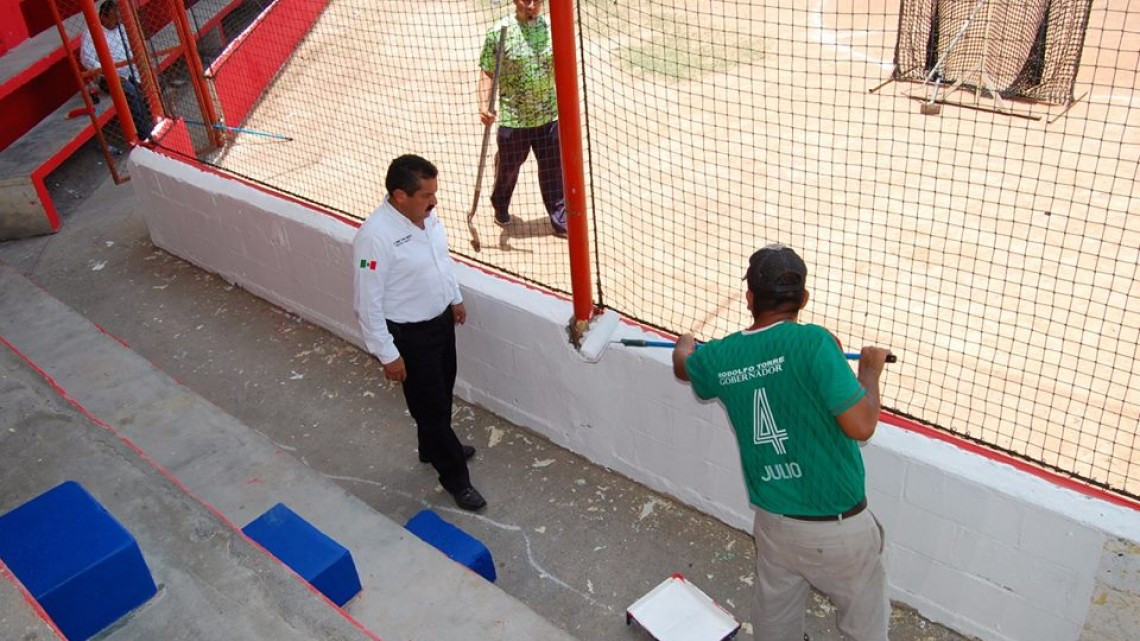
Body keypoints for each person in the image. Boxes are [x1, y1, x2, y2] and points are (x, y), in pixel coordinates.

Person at [672, 244, 892, 641]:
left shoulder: (723, 355)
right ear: (803, 299)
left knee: (776, 628)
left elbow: (685, 367)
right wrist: (870, 372)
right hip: (840, 528)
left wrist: (686, 343)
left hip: (775, 525)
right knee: (867, 631)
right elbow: (862, 425)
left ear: (750, 298)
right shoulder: (814, 343)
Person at [352, 155, 486, 512]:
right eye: (427, 194)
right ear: (400, 195)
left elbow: (440, 261)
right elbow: (367, 303)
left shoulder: (424, 216)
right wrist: (388, 353)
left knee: (440, 396)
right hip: (410, 337)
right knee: (431, 408)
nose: (434, 201)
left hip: (440, 323)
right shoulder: (374, 240)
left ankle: (431, 447)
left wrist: (454, 299)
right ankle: (456, 478)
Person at [478, 0, 568, 237]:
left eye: (537, 0)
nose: (531, 5)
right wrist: (483, 106)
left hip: (549, 116)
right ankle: (500, 204)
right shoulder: (499, 32)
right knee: (509, 169)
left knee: (553, 169)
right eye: (525, 0)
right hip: (514, 119)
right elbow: (487, 72)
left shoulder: (553, 28)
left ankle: (560, 219)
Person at [80, 0, 153, 141]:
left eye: (119, 17)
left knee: (149, 84)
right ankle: (145, 134)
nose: (117, 21)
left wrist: (138, 76)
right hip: (107, 77)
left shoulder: (121, 28)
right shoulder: (91, 34)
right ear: (103, 17)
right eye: (114, 18)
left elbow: (131, 53)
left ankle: (153, 121)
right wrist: (111, 74)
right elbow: (88, 60)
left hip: (128, 70)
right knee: (131, 93)